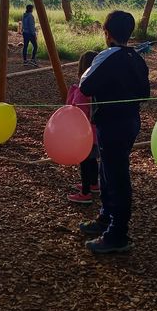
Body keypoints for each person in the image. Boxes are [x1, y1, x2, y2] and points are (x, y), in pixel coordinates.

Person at [78, 10, 150, 255]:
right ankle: (105, 217)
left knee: (117, 176)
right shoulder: (137, 59)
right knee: (107, 171)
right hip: (130, 122)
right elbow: (145, 92)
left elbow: (86, 86)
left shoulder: (106, 57)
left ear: (107, 33)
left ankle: (118, 233)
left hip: (114, 125)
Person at [66, 51, 100, 204]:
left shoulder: (83, 89)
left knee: (85, 162)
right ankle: (94, 184)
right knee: (92, 160)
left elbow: (76, 109)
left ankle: (85, 192)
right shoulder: (100, 86)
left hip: (86, 134)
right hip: (97, 132)